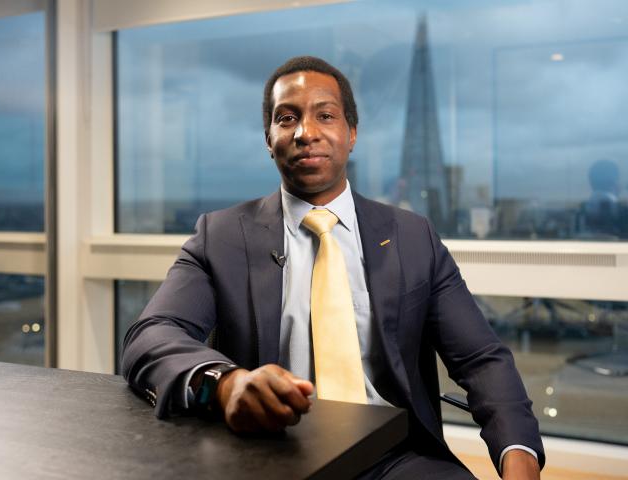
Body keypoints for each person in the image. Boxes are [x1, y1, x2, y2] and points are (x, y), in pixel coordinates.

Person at [122, 56, 544, 479]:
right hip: (269, 453)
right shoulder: (221, 236)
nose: (306, 133)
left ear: (351, 133)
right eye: (287, 118)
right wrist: (225, 384)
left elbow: (481, 359)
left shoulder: (413, 237)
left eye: (325, 115)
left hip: (396, 458)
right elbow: (151, 336)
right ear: (269, 139)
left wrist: (518, 456)